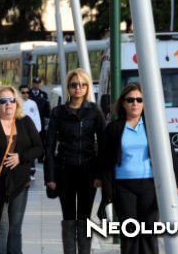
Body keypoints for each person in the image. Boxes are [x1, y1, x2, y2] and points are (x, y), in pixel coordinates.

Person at [99, 83, 178, 254]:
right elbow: (105, 161)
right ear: (123, 103)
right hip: (123, 187)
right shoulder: (114, 128)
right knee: (129, 233)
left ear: (145, 103)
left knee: (149, 231)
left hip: (149, 185)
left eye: (139, 100)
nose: (135, 103)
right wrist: (106, 190)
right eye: (130, 100)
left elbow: (170, 154)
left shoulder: (153, 126)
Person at [0, 85, 44, 254]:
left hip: (19, 184)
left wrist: (21, 157)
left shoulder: (25, 121)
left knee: (15, 229)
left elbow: (39, 148)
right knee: (1, 228)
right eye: (3, 101)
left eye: (12, 100)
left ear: (17, 103)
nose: (8, 104)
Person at [44, 69, 106, 254]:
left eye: (82, 84)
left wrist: (100, 174)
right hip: (65, 170)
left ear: (87, 87)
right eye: (74, 85)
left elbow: (103, 144)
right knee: (69, 216)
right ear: (68, 88)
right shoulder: (58, 112)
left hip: (88, 171)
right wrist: (50, 176)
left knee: (85, 216)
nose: (78, 88)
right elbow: (49, 146)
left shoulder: (94, 111)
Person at [19, 85, 41, 181]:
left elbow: (36, 118)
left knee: (31, 153)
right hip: (19, 133)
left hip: (31, 133)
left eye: (27, 92)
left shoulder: (33, 104)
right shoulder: (16, 104)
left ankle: (31, 172)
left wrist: (37, 131)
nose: (25, 94)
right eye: (23, 92)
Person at [29, 77, 50, 162]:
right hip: (30, 120)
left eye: (38, 83)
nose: (36, 85)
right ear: (32, 84)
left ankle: (40, 157)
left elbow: (46, 109)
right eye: (34, 83)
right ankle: (30, 157)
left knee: (41, 140)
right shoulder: (28, 93)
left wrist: (47, 120)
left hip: (40, 120)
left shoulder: (44, 94)